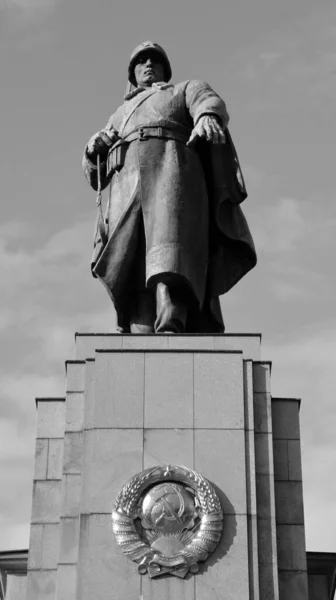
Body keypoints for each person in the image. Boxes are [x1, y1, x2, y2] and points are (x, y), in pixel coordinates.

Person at [82, 41, 256, 333]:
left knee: (169, 245)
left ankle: (171, 313)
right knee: (133, 256)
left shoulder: (183, 89)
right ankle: (141, 323)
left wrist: (206, 116)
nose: (148, 64)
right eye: (141, 61)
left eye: (154, 60)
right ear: (132, 73)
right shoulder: (119, 114)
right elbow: (95, 171)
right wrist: (91, 151)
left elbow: (207, 100)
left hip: (171, 170)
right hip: (128, 185)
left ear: (165, 68)